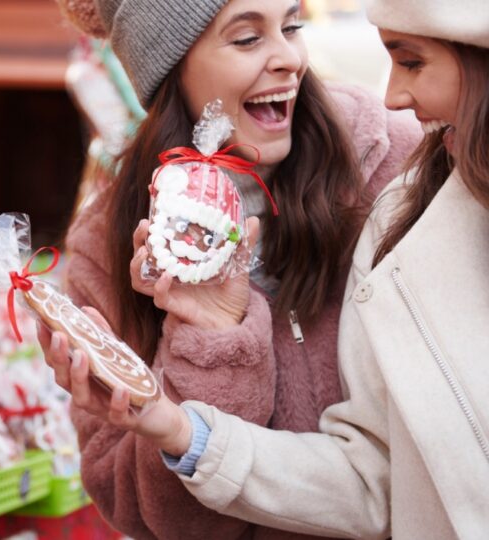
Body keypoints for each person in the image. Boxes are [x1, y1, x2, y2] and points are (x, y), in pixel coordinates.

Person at [45, 0, 489, 538]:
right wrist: (210, 350)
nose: (289, 58)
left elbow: (393, 467)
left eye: (292, 26)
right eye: (247, 38)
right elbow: (149, 515)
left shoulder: (400, 163)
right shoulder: (109, 243)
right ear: (172, 66)